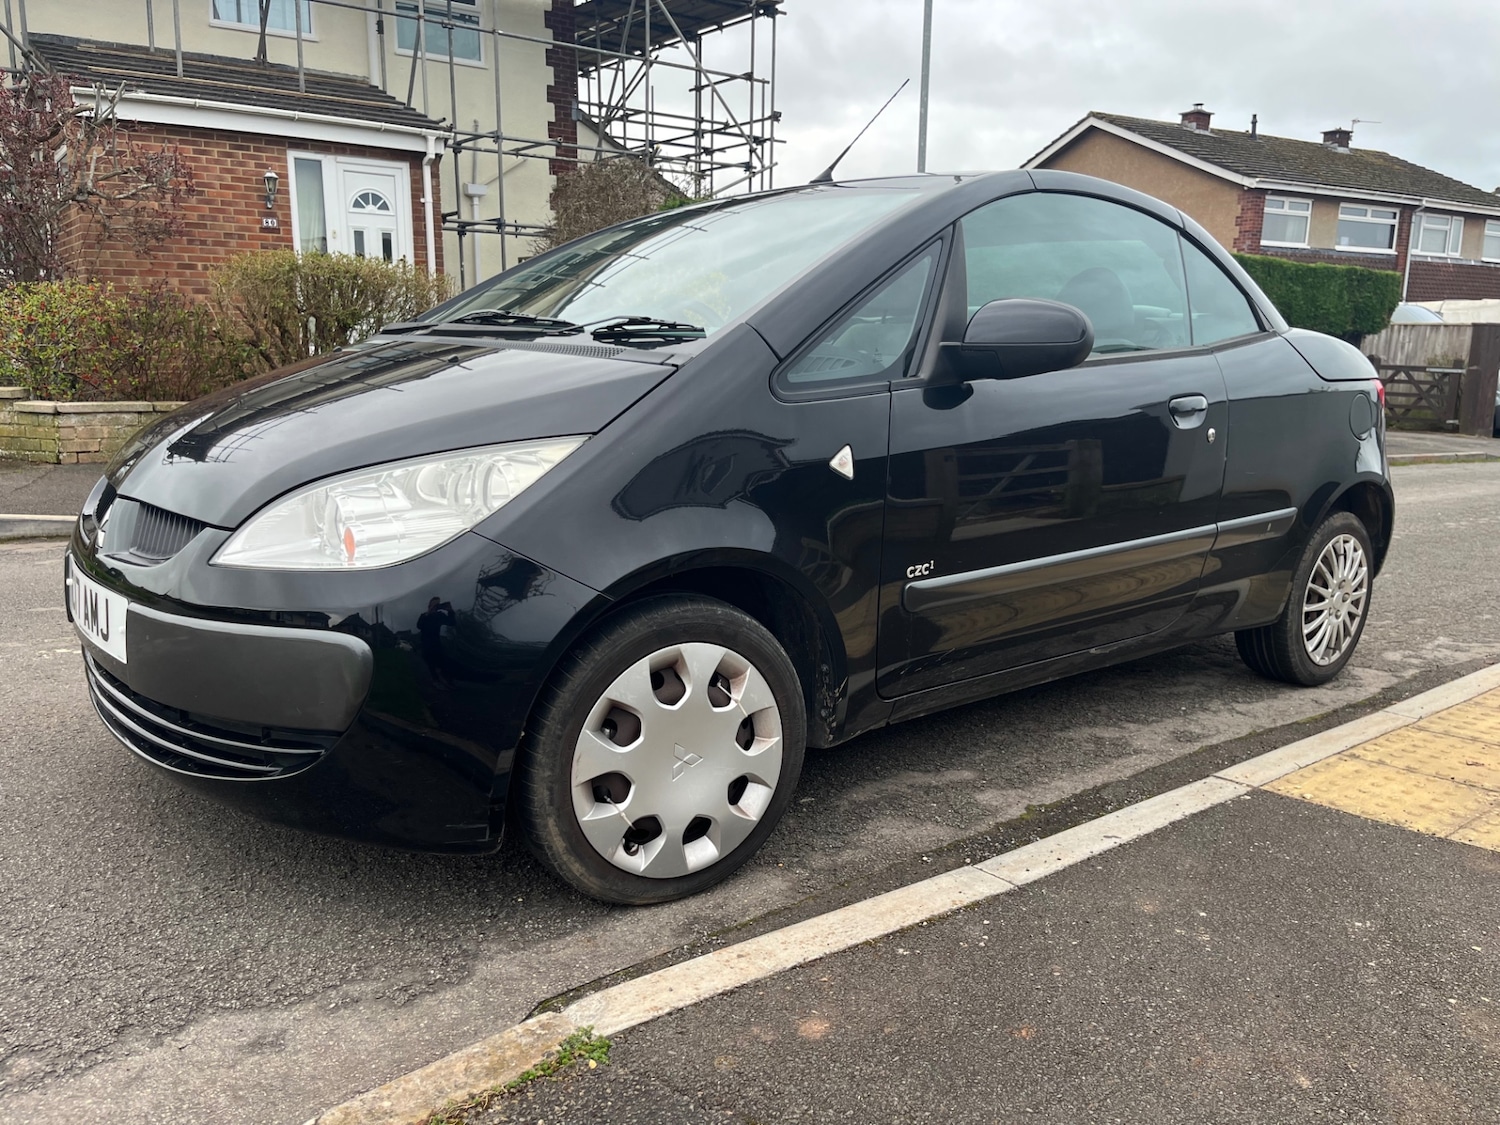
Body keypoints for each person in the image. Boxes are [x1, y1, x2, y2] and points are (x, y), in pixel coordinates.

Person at [416, 597, 456, 686]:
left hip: (436, 643)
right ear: (429, 605)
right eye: (434, 604)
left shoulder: (439, 615)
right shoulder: (424, 616)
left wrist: (450, 611)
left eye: (438, 604)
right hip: (426, 644)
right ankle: (436, 681)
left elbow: (452, 622)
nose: (436, 606)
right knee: (431, 664)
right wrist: (428, 613)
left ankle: (447, 682)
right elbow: (419, 626)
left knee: (443, 663)